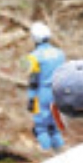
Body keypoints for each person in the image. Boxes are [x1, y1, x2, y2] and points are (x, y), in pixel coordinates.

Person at [26, 22, 67, 152]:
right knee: (55, 126)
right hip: (58, 92)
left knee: (41, 127)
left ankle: (46, 155)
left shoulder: (34, 57)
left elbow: (33, 80)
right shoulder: (60, 54)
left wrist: (31, 98)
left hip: (42, 93)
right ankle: (61, 154)